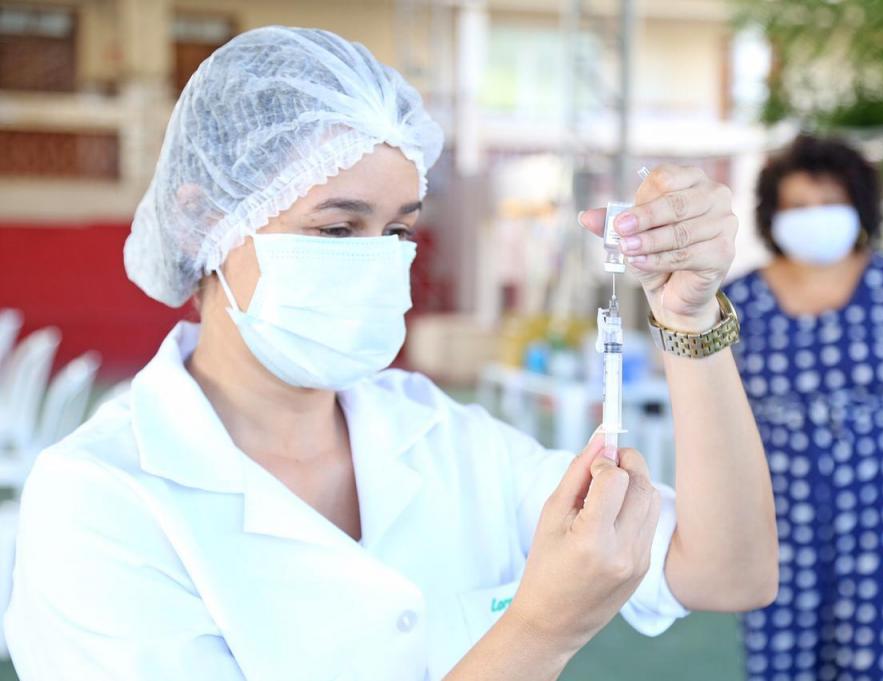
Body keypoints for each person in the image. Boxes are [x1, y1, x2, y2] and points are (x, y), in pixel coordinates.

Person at [6, 27, 777, 681]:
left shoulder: (442, 437)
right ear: (205, 217)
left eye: (398, 230)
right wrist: (540, 630)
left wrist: (688, 315)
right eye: (337, 229)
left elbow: (726, 569)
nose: (377, 261)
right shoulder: (98, 500)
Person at [723, 135, 883, 681]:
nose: (814, 216)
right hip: (776, 527)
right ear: (772, 215)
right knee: (778, 667)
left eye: (829, 202)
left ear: (859, 205)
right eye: (798, 205)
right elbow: (718, 425)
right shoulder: (738, 302)